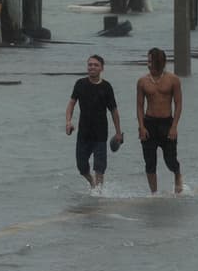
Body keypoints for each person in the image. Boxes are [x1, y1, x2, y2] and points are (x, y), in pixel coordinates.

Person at [65, 54, 123, 190]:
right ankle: (92, 183)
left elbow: (114, 111)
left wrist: (118, 133)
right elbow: (71, 104)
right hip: (84, 133)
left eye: (95, 65)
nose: (92, 67)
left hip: (100, 134)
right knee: (82, 167)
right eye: (90, 64)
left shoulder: (106, 87)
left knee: (100, 167)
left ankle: (99, 194)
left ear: (102, 68)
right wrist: (68, 122)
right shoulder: (80, 84)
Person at [136, 47, 183, 194]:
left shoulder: (173, 80)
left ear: (159, 62)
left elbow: (178, 103)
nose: (148, 64)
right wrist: (141, 126)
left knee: (170, 161)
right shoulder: (142, 81)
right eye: (148, 61)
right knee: (150, 163)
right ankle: (154, 194)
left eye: (150, 61)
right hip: (149, 123)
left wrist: (174, 126)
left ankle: (177, 174)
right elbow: (139, 105)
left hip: (166, 124)